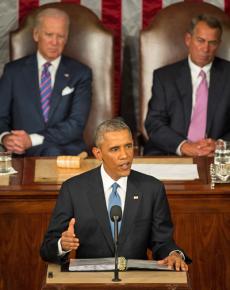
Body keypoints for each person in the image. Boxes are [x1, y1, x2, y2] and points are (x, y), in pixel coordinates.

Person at [40, 118, 191, 271]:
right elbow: (47, 249)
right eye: (115, 149)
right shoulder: (73, 189)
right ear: (98, 153)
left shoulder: (152, 188)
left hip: (136, 280)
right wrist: (62, 245)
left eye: (128, 146)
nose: (125, 155)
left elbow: (162, 242)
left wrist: (174, 254)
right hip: (89, 281)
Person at [0, 8, 92, 156]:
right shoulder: (13, 71)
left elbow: (76, 124)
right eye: (49, 35)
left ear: (66, 38)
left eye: (60, 36)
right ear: (36, 35)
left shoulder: (81, 73)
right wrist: (5, 137)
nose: (54, 42)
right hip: (25, 156)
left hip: (68, 153)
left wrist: (31, 139)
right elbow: (0, 116)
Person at [144, 14, 230, 156]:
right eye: (200, 40)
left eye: (212, 43)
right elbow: (154, 122)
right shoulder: (165, 77)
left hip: (217, 155)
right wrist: (183, 146)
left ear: (218, 44)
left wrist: (219, 145)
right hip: (171, 152)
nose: (205, 48)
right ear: (188, 40)